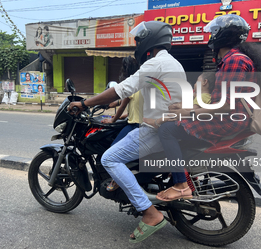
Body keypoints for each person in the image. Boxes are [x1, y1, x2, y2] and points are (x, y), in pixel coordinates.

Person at [68, 21, 187, 243]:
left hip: (155, 129)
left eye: (139, 40)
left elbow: (121, 90)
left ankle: (149, 212)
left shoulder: (155, 64)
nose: (137, 45)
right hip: (165, 125)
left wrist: (84, 103)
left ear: (149, 42)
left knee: (109, 158)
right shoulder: (172, 63)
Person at [156, 14, 261, 202]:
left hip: (227, 120)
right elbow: (216, 100)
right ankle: (185, 172)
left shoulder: (235, 61)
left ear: (222, 36)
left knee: (166, 130)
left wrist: (187, 112)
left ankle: (181, 184)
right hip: (226, 116)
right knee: (173, 120)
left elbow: (226, 105)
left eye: (213, 32)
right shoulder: (231, 59)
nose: (210, 36)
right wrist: (184, 107)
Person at [101, 56, 142, 191]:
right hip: (144, 124)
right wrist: (120, 115)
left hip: (135, 126)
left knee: (112, 152)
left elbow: (123, 105)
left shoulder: (131, 83)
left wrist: (113, 120)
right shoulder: (142, 81)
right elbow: (135, 107)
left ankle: (117, 179)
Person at [143, 71, 216, 129]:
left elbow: (195, 109)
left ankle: (156, 122)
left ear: (204, 82)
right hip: (190, 116)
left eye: (197, 81)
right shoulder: (204, 96)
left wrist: (180, 108)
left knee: (169, 117)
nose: (195, 84)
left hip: (189, 118)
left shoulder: (203, 97)